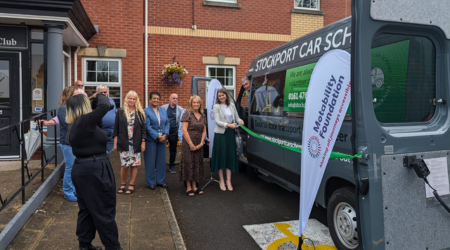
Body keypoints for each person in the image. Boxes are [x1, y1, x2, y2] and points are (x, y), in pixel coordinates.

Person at [66, 93, 122, 250]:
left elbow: (105, 108)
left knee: (87, 211)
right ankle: (113, 247)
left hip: (84, 169)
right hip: (94, 170)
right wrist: (99, 94)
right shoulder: (84, 122)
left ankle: (85, 246)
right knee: (104, 212)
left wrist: (94, 100)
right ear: (83, 105)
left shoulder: (78, 124)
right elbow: (105, 105)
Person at [40, 86, 80, 202]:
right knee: (70, 167)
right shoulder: (64, 108)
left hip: (75, 142)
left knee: (75, 167)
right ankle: (68, 192)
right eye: (75, 95)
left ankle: (74, 189)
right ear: (69, 96)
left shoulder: (74, 107)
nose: (78, 97)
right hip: (67, 143)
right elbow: (69, 123)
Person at [211, 88, 244, 191]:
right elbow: (217, 121)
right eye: (219, 96)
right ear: (218, 97)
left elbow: (237, 118)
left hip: (230, 134)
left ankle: (228, 181)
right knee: (221, 157)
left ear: (226, 95)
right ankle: (221, 180)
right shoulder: (216, 106)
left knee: (229, 156)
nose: (221, 97)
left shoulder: (232, 105)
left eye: (223, 95)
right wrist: (228, 125)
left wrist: (241, 120)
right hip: (221, 134)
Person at [113, 91, 146, 195]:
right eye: (130, 98)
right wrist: (115, 142)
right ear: (126, 99)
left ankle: (131, 184)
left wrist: (143, 142)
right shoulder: (120, 111)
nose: (131, 100)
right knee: (124, 165)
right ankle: (123, 184)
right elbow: (116, 128)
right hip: (123, 142)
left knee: (134, 165)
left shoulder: (140, 112)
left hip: (136, 142)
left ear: (136, 100)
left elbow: (143, 130)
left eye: (133, 99)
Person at [179, 95, 207, 196]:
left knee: (196, 163)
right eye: (194, 102)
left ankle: (195, 186)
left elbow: (204, 130)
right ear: (191, 104)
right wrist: (191, 144)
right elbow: (184, 130)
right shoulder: (187, 114)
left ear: (200, 104)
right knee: (188, 163)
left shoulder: (202, 115)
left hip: (198, 144)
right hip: (188, 143)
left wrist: (201, 143)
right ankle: (189, 187)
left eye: (197, 102)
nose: (196, 104)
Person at [144, 91, 170, 190]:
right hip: (151, 140)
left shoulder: (163, 110)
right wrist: (157, 136)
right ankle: (150, 182)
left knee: (161, 161)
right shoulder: (146, 111)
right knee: (150, 161)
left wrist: (165, 135)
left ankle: (160, 181)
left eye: (158, 98)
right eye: (154, 98)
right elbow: (147, 126)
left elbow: (167, 123)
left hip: (162, 139)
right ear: (150, 99)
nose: (156, 100)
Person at [161, 93, 185, 174]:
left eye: (177, 98)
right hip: (164, 131)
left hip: (174, 131)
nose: (175, 99)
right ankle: (159, 165)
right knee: (161, 148)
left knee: (173, 149)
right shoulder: (163, 108)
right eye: (173, 98)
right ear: (170, 99)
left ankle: (172, 165)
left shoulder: (180, 109)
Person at [91, 85, 116, 158]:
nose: (103, 94)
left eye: (105, 92)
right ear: (96, 93)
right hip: (100, 130)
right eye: (101, 92)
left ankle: (105, 165)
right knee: (100, 152)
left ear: (107, 92)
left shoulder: (112, 101)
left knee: (108, 153)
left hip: (111, 131)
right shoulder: (93, 103)